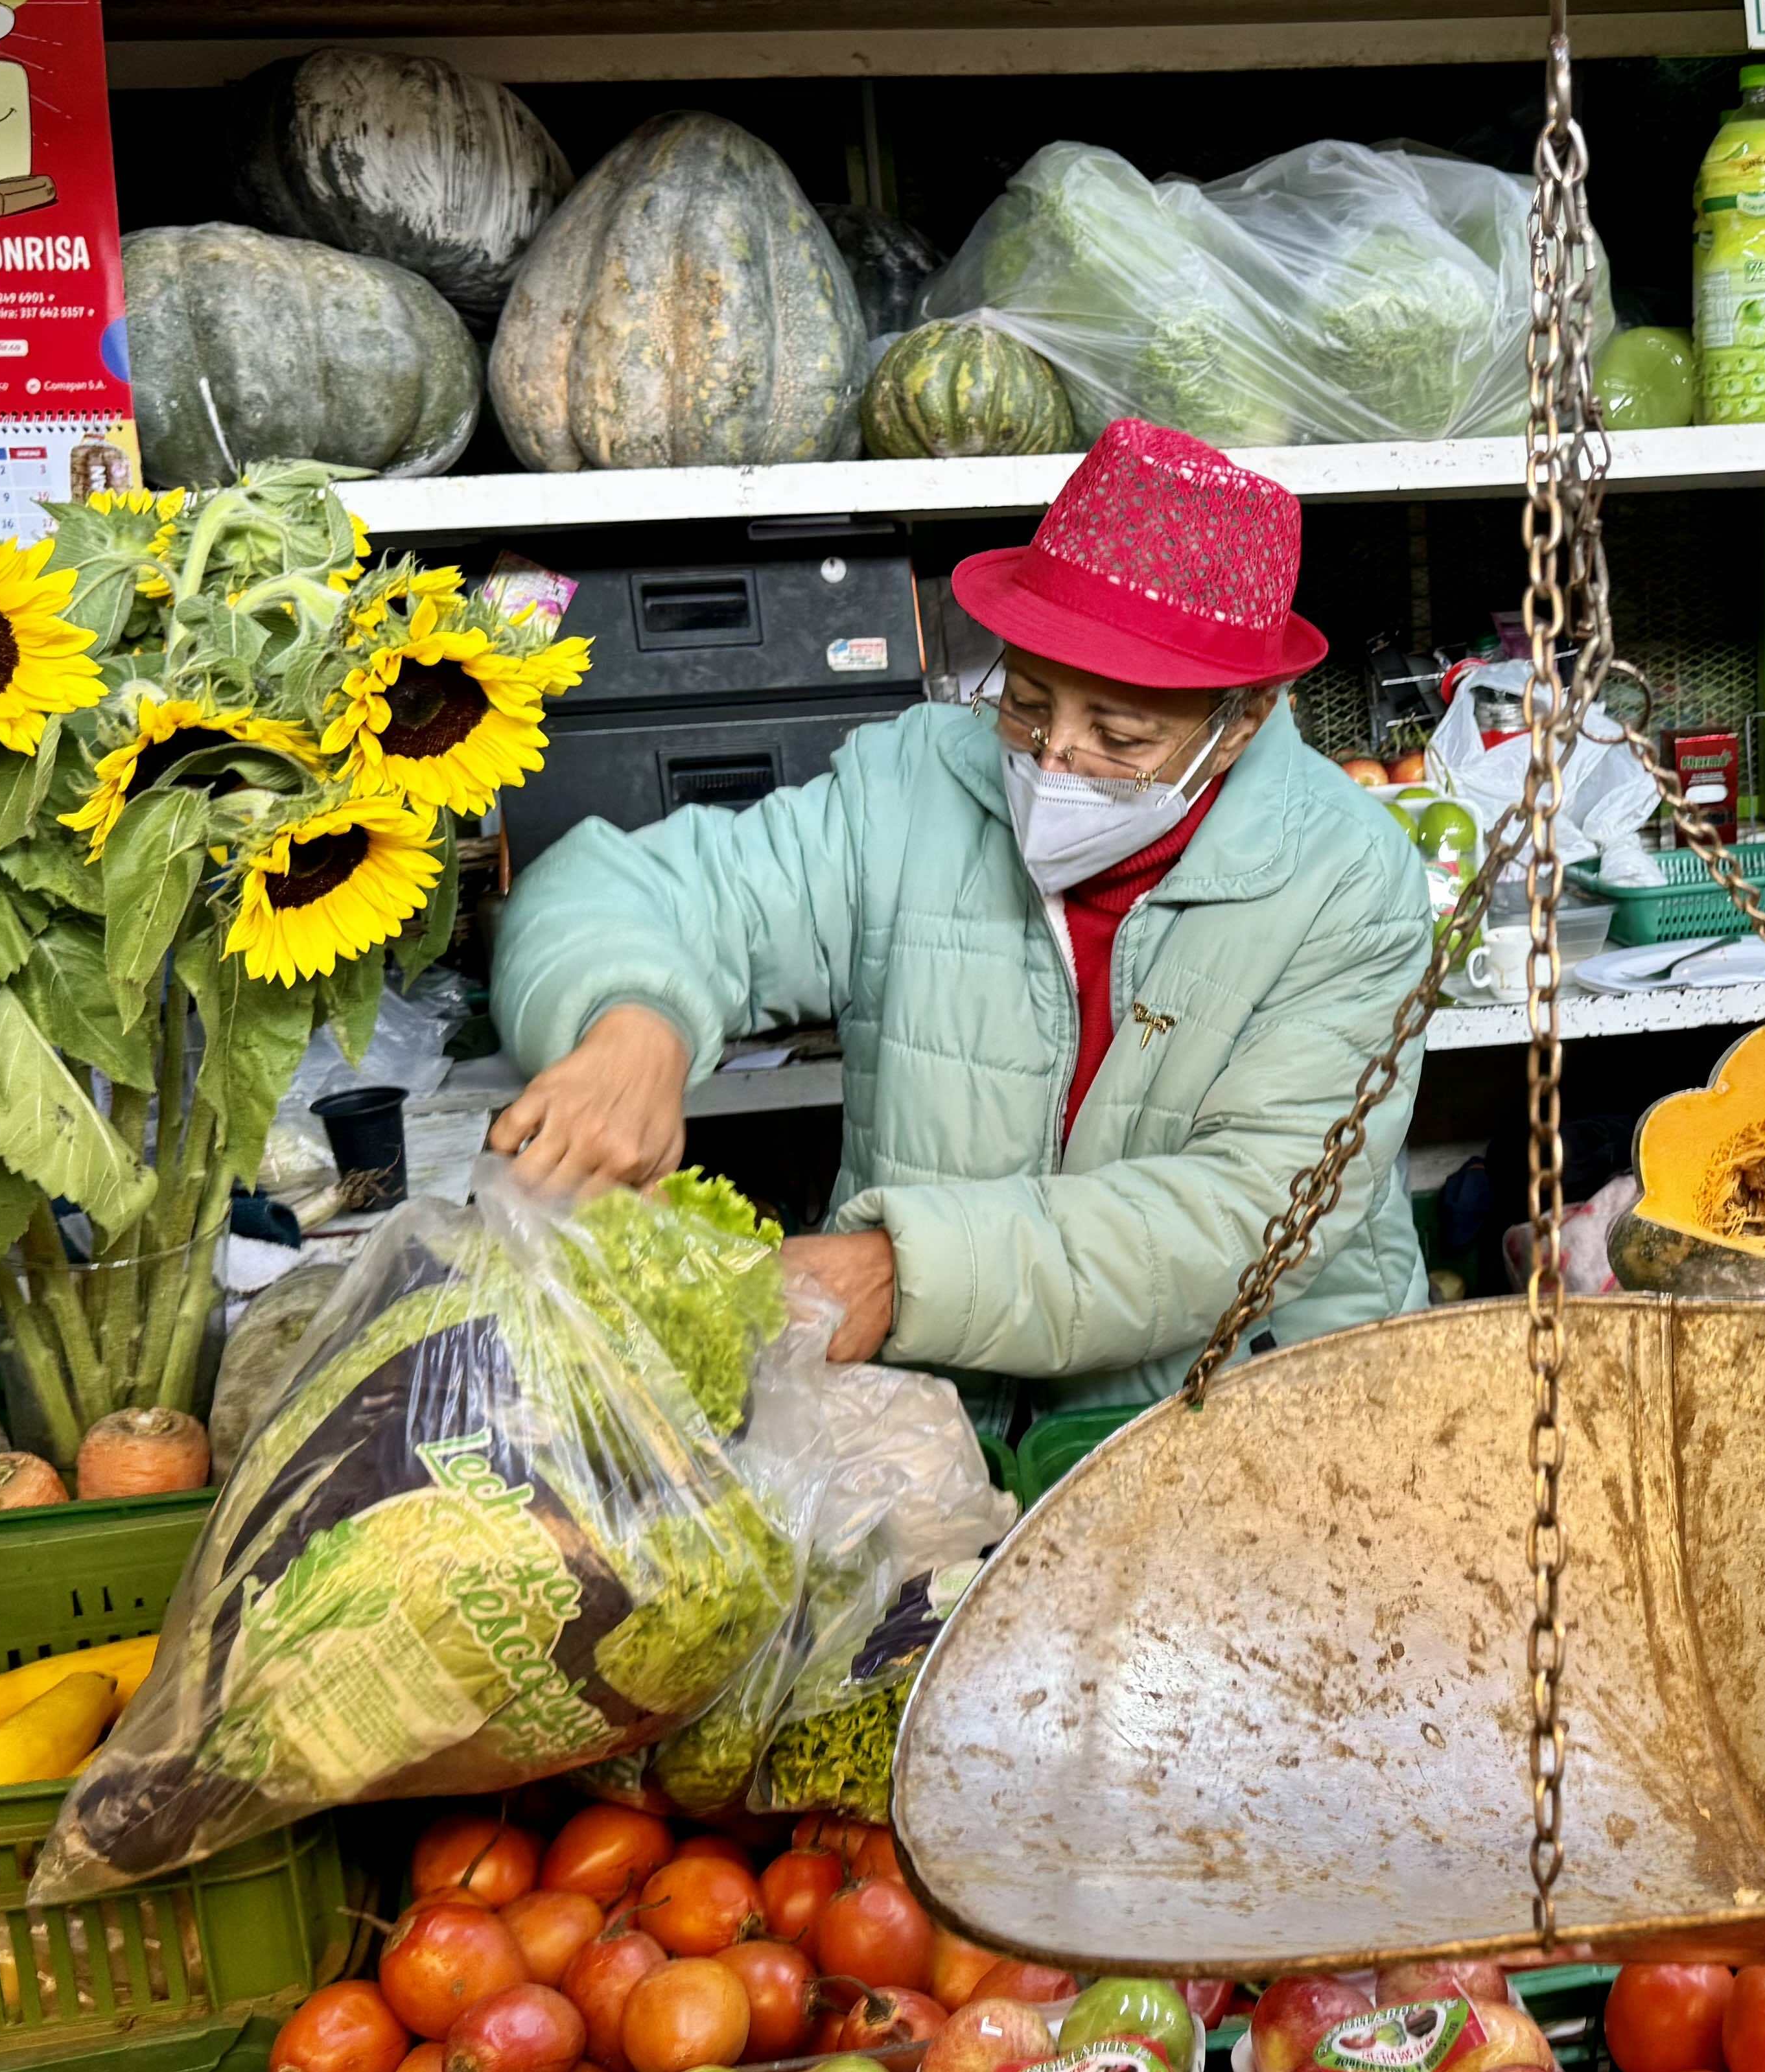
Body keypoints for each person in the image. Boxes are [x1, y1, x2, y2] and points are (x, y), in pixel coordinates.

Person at [488, 419, 1432, 1415]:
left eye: (1118, 735)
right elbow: (622, 890)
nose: (1052, 759)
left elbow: (1243, 1214)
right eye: (1026, 702)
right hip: (949, 1425)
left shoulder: (1346, 882)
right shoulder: (911, 789)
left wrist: (901, 1274)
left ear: (1240, 722)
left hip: (1247, 1414)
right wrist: (633, 1020)